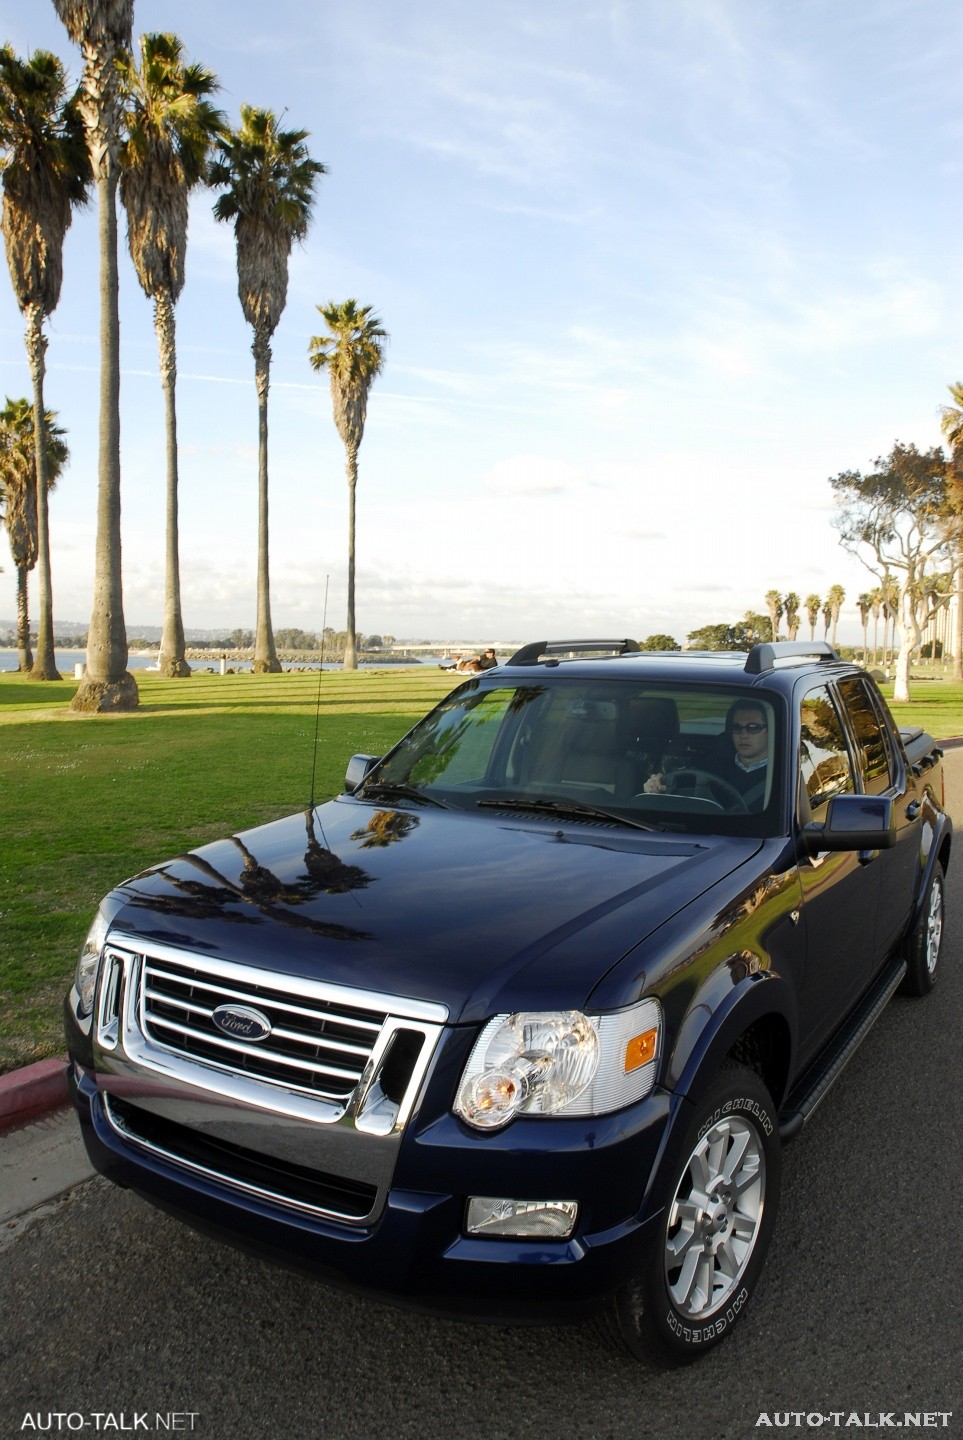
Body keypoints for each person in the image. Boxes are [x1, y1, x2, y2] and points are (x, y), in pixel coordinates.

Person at [643, 699, 770, 809]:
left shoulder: (784, 777)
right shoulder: (711, 766)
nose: (743, 735)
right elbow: (673, 784)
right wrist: (656, 784)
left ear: (770, 731)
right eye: (737, 727)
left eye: (753, 727)